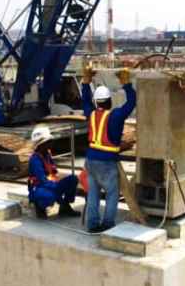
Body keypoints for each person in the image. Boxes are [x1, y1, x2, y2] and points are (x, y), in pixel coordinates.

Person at [82, 65, 136, 233]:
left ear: (97, 102)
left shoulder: (90, 113)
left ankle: (92, 225)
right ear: (109, 101)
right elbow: (132, 103)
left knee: (93, 194)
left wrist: (86, 81)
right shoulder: (116, 116)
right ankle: (107, 224)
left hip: (90, 160)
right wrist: (126, 84)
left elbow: (85, 100)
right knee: (112, 193)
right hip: (107, 162)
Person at [27, 125, 80, 219]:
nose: (51, 143)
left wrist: (62, 183)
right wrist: (58, 190)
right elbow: (42, 180)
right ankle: (40, 206)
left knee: (73, 179)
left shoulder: (47, 154)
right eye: (49, 141)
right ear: (41, 144)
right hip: (40, 187)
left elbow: (54, 172)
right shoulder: (35, 159)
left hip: (50, 184)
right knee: (51, 195)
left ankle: (65, 207)